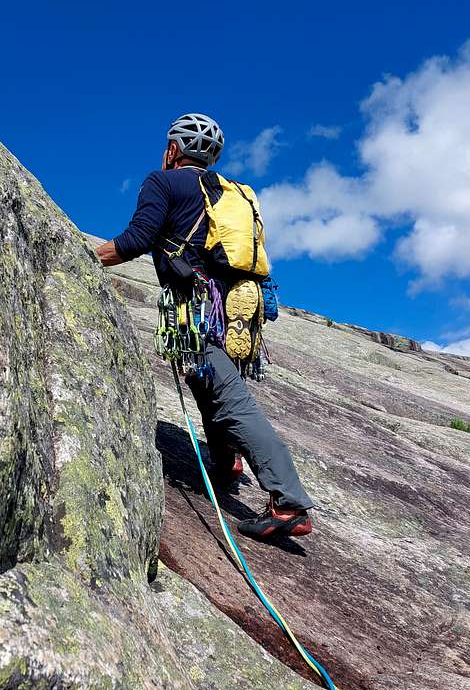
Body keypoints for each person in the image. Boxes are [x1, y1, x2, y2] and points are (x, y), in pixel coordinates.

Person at [95, 113, 315, 539]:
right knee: (210, 384)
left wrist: (86, 259)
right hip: (236, 313)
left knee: (230, 400)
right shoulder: (225, 192)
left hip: (197, 310)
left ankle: (289, 502)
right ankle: (225, 458)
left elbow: (138, 238)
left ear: (173, 149)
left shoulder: (164, 182)